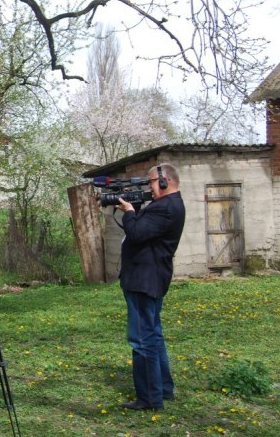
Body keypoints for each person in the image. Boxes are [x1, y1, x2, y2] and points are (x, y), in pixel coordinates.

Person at [115, 163, 186, 411]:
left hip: (145, 280)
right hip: (149, 278)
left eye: (151, 182)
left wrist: (129, 211)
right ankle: (163, 389)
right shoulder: (167, 205)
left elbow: (136, 233)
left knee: (142, 340)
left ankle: (149, 398)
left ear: (164, 180)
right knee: (153, 336)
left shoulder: (166, 208)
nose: (149, 188)